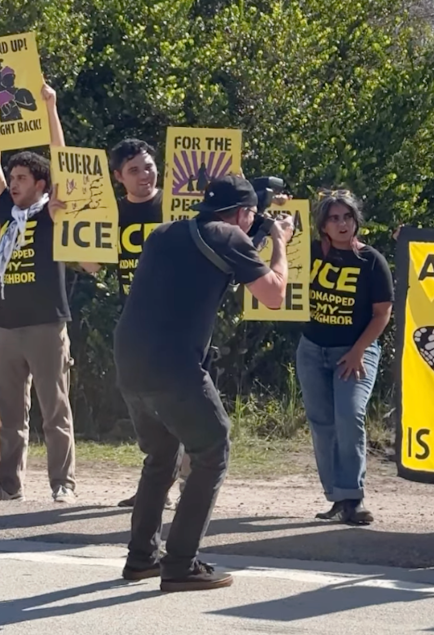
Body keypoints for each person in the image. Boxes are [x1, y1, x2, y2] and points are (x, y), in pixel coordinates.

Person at [115, 174, 293, 592]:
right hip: (175, 366)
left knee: (160, 458)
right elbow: (274, 295)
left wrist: (253, 239)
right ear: (243, 213)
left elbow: (199, 270)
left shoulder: (164, 233)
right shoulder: (231, 237)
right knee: (214, 448)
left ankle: (141, 557)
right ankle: (180, 563)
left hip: (130, 361)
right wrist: (280, 241)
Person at [0, 82, 99, 503]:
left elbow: (64, 160)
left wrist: (50, 106)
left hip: (46, 324)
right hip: (6, 326)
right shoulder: (7, 212)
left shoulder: (54, 212)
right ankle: (9, 483)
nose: (13, 184)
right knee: (10, 416)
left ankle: (62, 485)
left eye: (22, 178)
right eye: (12, 178)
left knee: (55, 411)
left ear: (40, 183)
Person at [297, 190, 393, 525]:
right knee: (322, 425)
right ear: (323, 224)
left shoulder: (371, 261)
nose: (341, 224)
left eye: (347, 217)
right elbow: (270, 251)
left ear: (356, 221)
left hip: (355, 352)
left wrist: (358, 351)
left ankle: (354, 498)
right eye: (334, 218)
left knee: (349, 417)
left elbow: (382, 314)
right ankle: (337, 498)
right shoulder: (309, 253)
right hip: (311, 350)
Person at [110, 138, 185, 510]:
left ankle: (187, 487)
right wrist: (64, 217)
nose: (145, 175)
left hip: (177, 321)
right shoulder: (111, 212)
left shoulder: (174, 206)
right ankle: (158, 485)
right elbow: (89, 263)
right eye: (134, 170)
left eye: (149, 166)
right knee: (145, 410)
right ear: (118, 176)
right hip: (134, 325)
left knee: (180, 406)